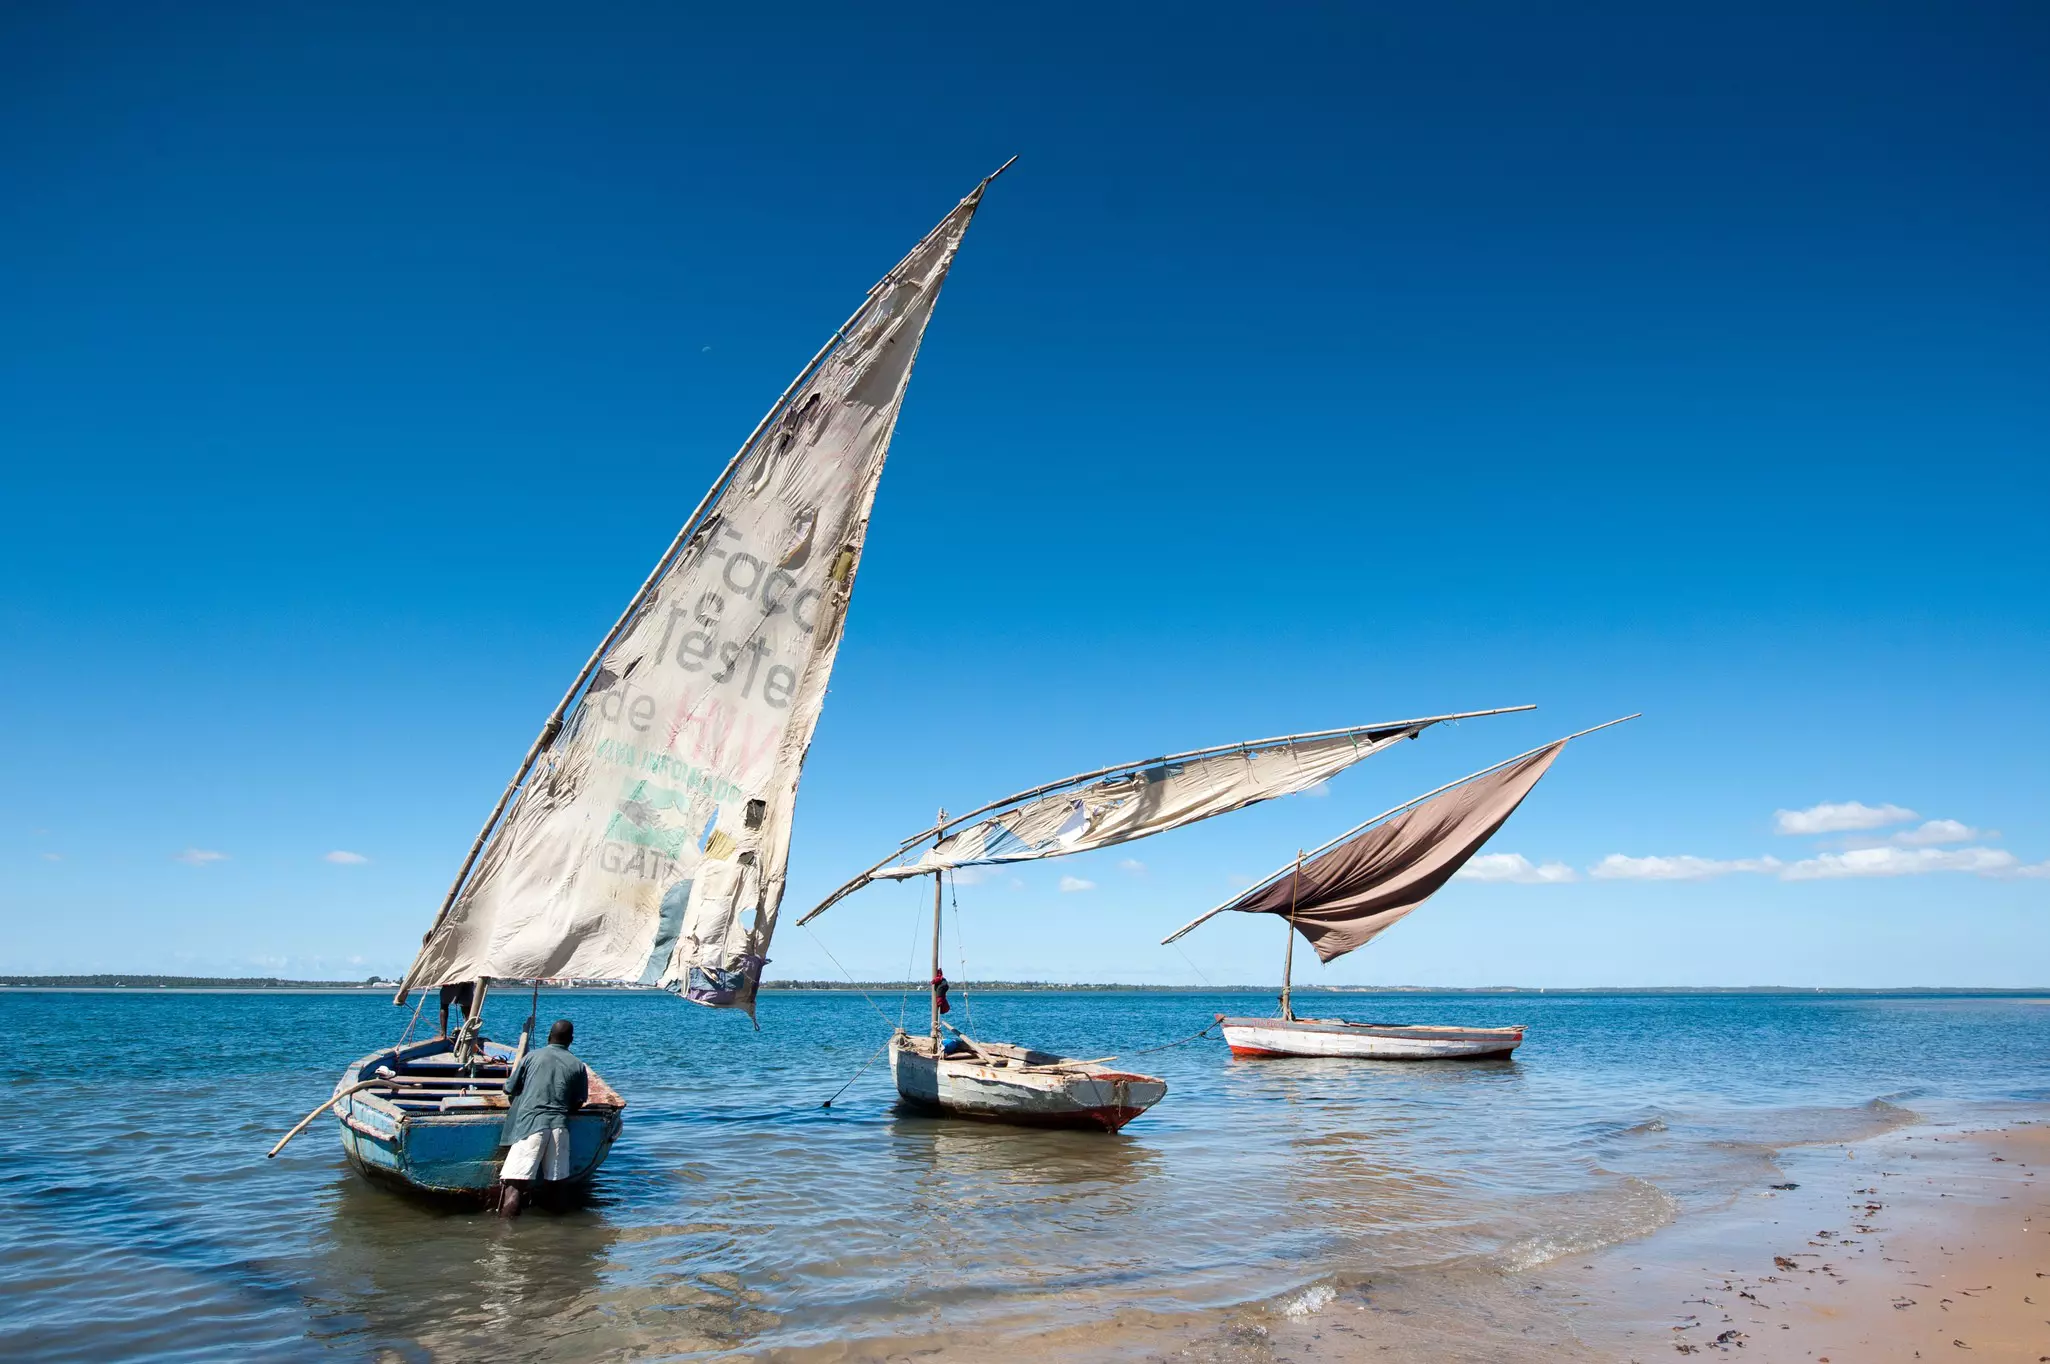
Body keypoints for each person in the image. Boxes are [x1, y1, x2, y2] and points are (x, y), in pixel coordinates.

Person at [497, 1018, 588, 1218]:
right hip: (559, 1129)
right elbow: (579, 1101)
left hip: (530, 1127)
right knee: (557, 1186)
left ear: (549, 1037)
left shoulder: (532, 1057)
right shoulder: (578, 1065)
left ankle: (504, 1240)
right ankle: (556, 1237)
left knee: (515, 1186)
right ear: (570, 1040)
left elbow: (509, 1088)